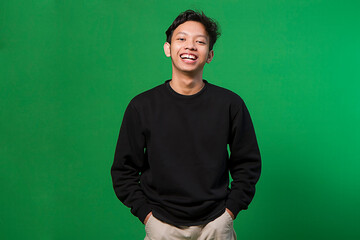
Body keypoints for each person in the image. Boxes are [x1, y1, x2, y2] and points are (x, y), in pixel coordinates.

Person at [111, 9, 261, 240]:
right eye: (181, 39)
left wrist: (228, 214)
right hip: (162, 226)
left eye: (199, 42)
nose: (190, 46)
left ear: (209, 54)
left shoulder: (230, 104)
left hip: (216, 225)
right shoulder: (142, 106)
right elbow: (123, 171)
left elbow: (248, 165)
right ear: (167, 48)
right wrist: (148, 217)